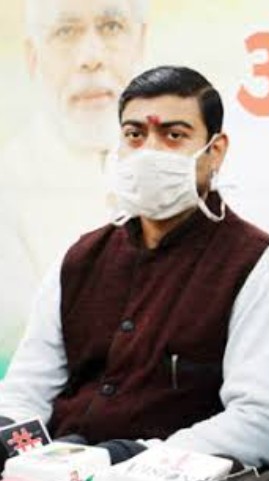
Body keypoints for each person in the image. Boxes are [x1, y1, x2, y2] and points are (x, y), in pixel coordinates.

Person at [0, 66, 269, 470]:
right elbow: (25, 389)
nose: (149, 152)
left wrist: (133, 459)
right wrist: (11, 444)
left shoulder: (258, 268)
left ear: (215, 150)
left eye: (173, 135)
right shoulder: (80, 259)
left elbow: (264, 421)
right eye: (135, 135)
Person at [0, 0, 147, 371]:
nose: (91, 58)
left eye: (111, 27)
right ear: (33, 57)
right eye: (65, 32)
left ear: (140, 42)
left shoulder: (193, 170)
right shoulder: (9, 187)